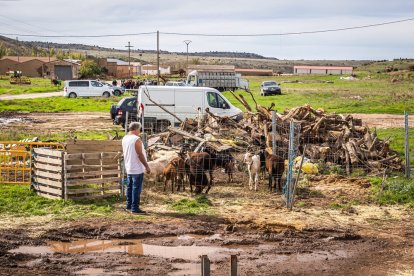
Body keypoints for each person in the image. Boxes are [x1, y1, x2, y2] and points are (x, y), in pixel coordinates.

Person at [122, 122, 151, 214]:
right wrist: (146, 166)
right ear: (136, 129)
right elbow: (139, 154)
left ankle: (129, 206)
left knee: (130, 187)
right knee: (136, 188)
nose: (140, 131)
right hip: (137, 168)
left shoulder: (125, 138)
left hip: (129, 166)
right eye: (140, 129)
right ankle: (135, 208)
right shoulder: (136, 139)